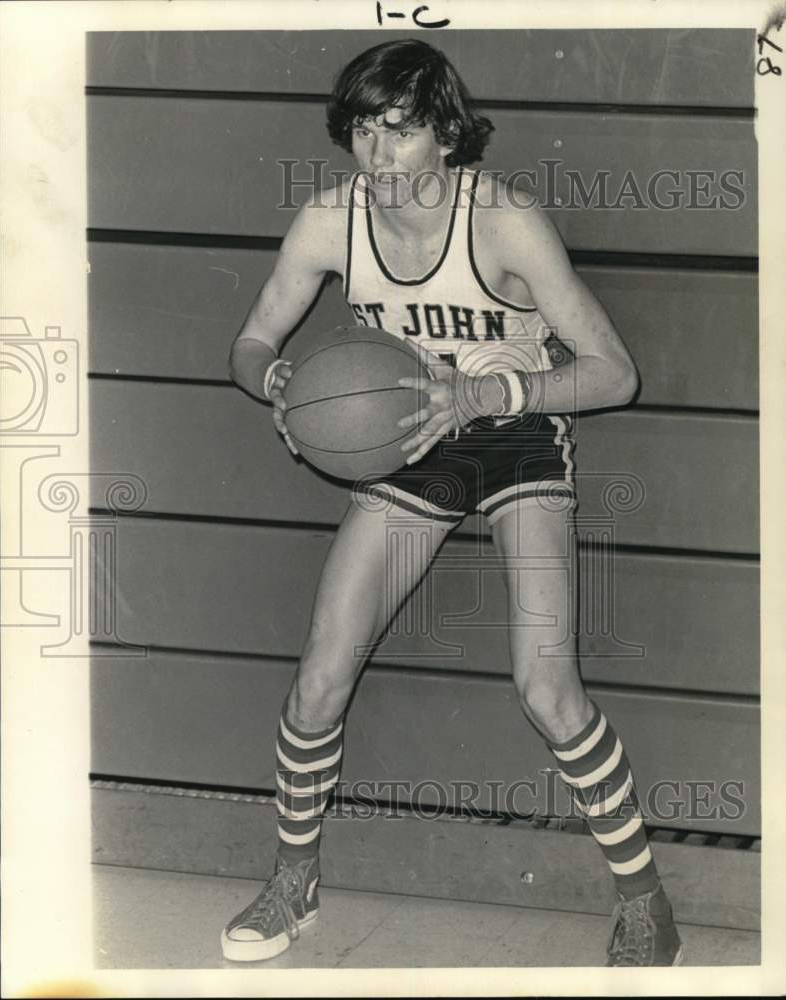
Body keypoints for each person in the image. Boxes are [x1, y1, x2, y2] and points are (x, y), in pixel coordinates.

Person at [222, 38, 683, 968]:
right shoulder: (328, 221)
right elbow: (252, 337)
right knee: (319, 675)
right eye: (361, 130)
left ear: (443, 135)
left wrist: (489, 393)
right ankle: (291, 882)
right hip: (406, 432)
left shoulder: (504, 222)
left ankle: (644, 901)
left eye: (398, 133)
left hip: (511, 428)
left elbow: (615, 374)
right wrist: (277, 382)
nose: (375, 155)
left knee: (546, 691)